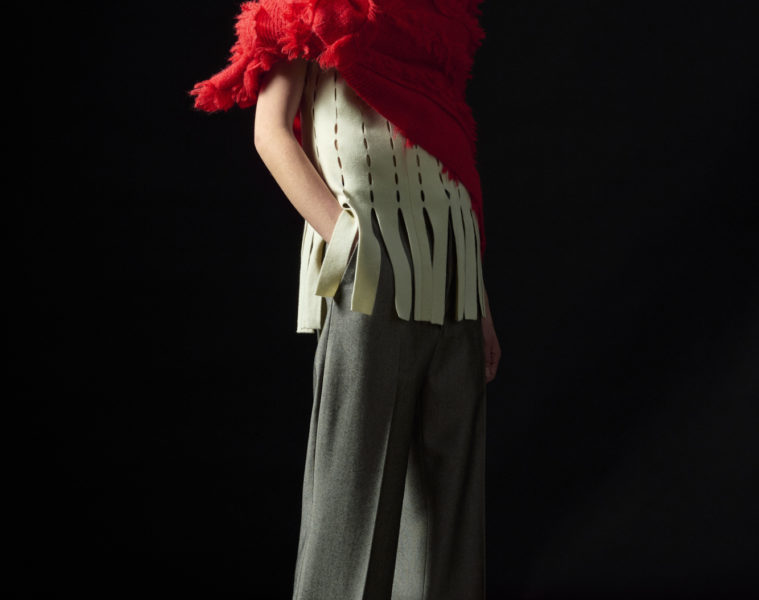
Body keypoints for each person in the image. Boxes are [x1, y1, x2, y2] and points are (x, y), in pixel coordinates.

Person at [189, 1, 501, 597]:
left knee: (449, 508)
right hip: (371, 267)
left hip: (455, 268)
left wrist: (480, 300)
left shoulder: (439, 16)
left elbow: (454, 159)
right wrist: (349, 243)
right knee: (352, 494)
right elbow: (269, 133)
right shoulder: (304, 7)